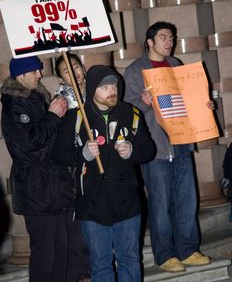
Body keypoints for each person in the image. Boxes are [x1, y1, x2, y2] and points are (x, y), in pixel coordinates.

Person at [52, 64, 156, 282]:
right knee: (100, 264)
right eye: (105, 86)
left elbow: (149, 150)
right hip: (92, 204)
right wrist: (83, 154)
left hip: (127, 201)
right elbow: (59, 155)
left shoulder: (131, 113)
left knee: (130, 259)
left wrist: (133, 152)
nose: (112, 90)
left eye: (114, 84)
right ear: (92, 89)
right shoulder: (77, 118)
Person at [123, 21, 211, 272]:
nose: (169, 42)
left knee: (186, 198)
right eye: (163, 38)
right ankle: (165, 255)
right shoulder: (135, 70)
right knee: (160, 203)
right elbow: (127, 111)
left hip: (182, 141)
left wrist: (203, 108)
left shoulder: (176, 66)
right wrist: (143, 103)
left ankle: (188, 249)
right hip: (155, 145)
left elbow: (189, 100)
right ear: (149, 42)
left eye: (171, 38)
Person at [0, 56, 73, 282]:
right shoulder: (14, 105)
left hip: (55, 186)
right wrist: (52, 115)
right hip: (37, 190)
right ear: (21, 75)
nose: (40, 75)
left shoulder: (36, 98)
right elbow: (30, 148)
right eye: (35, 72)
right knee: (45, 253)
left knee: (62, 250)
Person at [54, 53, 91, 282]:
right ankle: (82, 274)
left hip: (99, 167)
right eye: (67, 70)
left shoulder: (97, 91)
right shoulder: (61, 102)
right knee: (78, 227)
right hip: (74, 172)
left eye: (75, 66)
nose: (74, 72)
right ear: (61, 78)